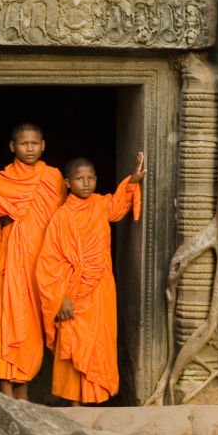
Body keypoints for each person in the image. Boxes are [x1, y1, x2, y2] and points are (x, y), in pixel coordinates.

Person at [36, 152, 145, 405]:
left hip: (100, 288)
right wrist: (60, 298)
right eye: (79, 179)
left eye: (91, 178)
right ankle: (75, 402)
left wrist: (133, 180)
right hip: (73, 293)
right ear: (67, 183)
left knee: (98, 342)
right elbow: (49, 262)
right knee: (75, 343)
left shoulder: (99, 204)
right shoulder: (62, 217)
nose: (86, 183)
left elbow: (118, 207)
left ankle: (94, 400)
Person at [0, 123, 65, 400]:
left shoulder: (53, 178)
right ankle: (5, 392)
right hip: (12, 265)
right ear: (12, 146)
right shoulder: (1, 180)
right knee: (7, 325)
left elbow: (64, 222)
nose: (30, 148)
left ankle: (23, 392)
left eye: (35, 143)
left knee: (31, 330)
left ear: (43, 146)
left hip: (44, 266)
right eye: (24, 144)